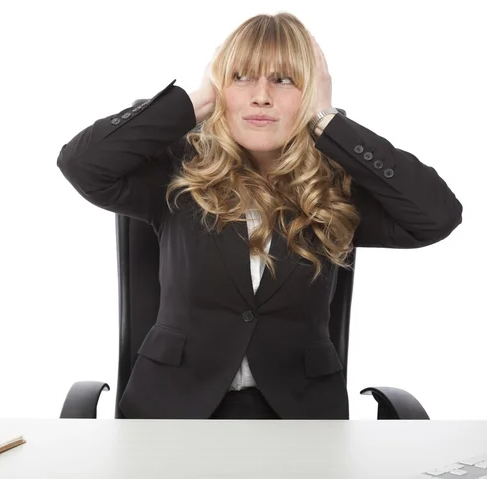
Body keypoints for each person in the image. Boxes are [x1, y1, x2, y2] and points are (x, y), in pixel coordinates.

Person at [57, 12, 463, 420]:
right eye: (243, 77)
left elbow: (438, 215)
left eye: (284, 80)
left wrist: (328, 121)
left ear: (311, 93)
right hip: (171, 412)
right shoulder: (178, 171)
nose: (262, 96)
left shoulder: (334, 187)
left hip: (299, 419)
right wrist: (197, 102)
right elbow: (81, 163)